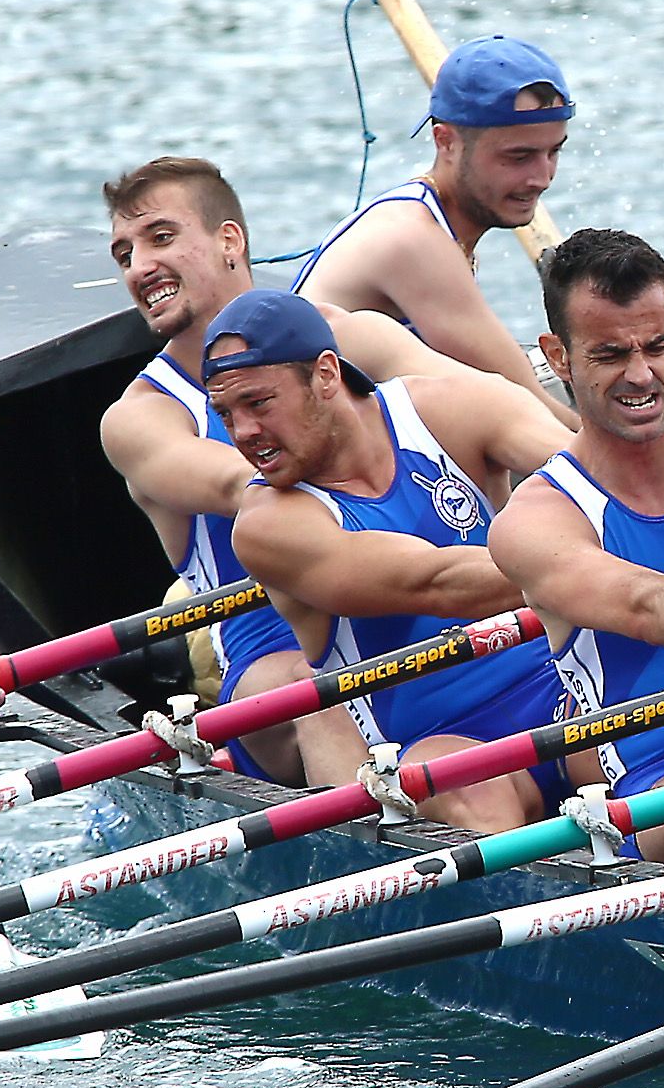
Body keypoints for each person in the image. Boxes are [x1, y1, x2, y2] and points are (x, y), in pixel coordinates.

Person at [93, 155, 465, 782]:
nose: (139, 267)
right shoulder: (142, 418)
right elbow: (247, 485)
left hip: (436, 606)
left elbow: (481, 403)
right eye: (123, 253)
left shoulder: (351, 338)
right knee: (319, 691)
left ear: (229, 240)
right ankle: (382, 861)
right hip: (280, 652)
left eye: (160, 238)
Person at [212, 289, 574, 834]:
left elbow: (595, 485)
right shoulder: (269, 525)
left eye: (259, 404)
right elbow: (439, 584)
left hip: (572, 699)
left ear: (327, 375)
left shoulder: (452, 408)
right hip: (441, 749)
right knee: (466, 788)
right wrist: (596, 568)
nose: (242, 433)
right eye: (226, 414)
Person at [484, 231, 664, 853]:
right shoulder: (538, 519)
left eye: (657, 346)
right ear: (557, 357)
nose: (641, 375)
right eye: (610, 355)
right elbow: (651, 607)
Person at [295, 34, 579, 419]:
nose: (542, 178)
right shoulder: (412, 239)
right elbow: (525, 405)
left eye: (553, 152)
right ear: (445, 141)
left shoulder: (436, 221)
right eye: (519, 156)